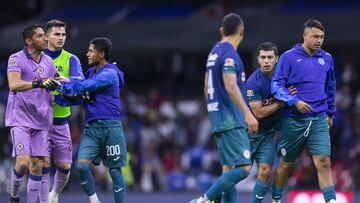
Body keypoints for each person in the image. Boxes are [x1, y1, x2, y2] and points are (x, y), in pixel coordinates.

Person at [190, 13, 258, 203]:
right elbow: (230, 85)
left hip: (217, 118)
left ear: (221, 31)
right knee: (244, 168)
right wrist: (247, 114)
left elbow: (205, 86)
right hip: (231, 119)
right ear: (242, 31)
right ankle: (203, 200)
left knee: (228, 169)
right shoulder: (229, 54)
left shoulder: (214, 52)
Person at [271, 19, 336, 203]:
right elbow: (276, 85)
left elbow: (330, 86)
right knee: (286, 165)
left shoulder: (327, 58)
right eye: (315, 36)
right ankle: (276, 199)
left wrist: (331, 112)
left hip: (318, 119)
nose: (319, 40)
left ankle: (331, 201)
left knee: (324, 161)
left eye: (322, 37)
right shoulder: (288, 57)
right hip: (294, 119)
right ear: (305, 36)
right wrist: (294, 101)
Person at [54, 37, 126, 203]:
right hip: (92, 128)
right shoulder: (91, 73)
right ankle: (95, 201)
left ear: (101, 54)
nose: (87, 54)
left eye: (91, 51)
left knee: (114, 171)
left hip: (111, 127)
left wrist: (62, 86)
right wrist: (60, 94)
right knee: (81, 166)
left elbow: (86, 86)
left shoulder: (109, 74)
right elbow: (81, 92)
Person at [5, 24, 59, 203]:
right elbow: (14, 84)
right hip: (20, 118)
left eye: (45, 35)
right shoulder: (16, 58)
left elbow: (58, 81)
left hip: (42, 119)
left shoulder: (48, 61)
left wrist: (79, 85)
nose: (46, 39)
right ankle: (14, 196)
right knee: (23, 164)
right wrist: (38, 82)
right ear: (29, 41)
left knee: (39, 166)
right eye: (40, 36)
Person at [40, 19, 84, 203]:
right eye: (57, 34)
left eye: (63, 34)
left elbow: (80, 82)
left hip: (61, 121)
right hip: (39, 121)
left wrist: (67, 81)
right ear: (47, 36)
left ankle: (54, 195)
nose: (60, 38)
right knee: (41, 165)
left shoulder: (71, 58)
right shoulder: (37, 57)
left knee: (65, 167)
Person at [246, 42, 297, 203]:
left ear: (277, 59)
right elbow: (259, 113)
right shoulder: (254, 82)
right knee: (239, 172)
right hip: (247, 133)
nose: (266, 61)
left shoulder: (285, 78)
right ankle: (214, 197)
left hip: (267, 133)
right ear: (258, 59)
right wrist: (281, 102)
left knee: (265, 171)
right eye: (263, 57)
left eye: (270, 57)